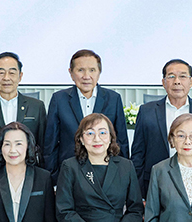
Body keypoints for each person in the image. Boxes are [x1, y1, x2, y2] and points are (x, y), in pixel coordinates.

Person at [132, 59, 192, 196]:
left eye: (183, 76)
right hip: (156, 185)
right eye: (171, 76)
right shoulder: (147, 111)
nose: (177, 81)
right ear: (163, 82)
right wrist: (139, 195)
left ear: (191, 81)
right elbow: (138, 155)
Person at [44, 50, 129, 181]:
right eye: (80, 70)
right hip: (69, 174)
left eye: (92, 70)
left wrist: (122, 177)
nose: (86, 76)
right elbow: (50, 145)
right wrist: (53, 180)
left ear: (99, 72)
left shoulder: (113, 99)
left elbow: (121, 142)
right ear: (71, 73)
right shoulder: (59, 99)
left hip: (106, 174)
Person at [0, 52, 47, 168]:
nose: (6, 78)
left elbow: (43, 146)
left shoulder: (36, 106)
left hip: (29, 172)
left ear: (20, 76)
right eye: (1, 73)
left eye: (12, 73)